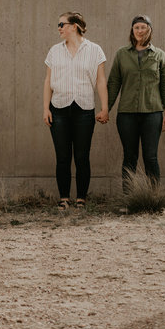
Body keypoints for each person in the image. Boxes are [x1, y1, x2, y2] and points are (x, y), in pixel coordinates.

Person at [43, 12, 109, 210]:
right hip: (59, 109)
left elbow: (100, 81)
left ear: (74, 26)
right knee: (62, 156)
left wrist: (105, 108)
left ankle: (81, 198)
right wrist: (45, 108)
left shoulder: (95, 50)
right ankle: (64, 198)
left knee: (82, 156)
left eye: (61, 24)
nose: (59, 28)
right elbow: (48, 81)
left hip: (84, 109)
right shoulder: (54, 51)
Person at [106, 15, 165, 192]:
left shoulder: (159, 55)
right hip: (127, 114)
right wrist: (106, 109)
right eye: (137, 28)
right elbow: (113, 83)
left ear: (149, 30)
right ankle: (128, 198)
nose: (140, 31)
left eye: (143, 27)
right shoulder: (122, 54)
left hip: (153, 113)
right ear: (132, 30)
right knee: (130, 156)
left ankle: (153, 198)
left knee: (150, 157)